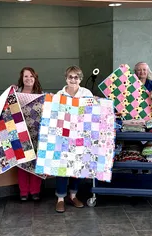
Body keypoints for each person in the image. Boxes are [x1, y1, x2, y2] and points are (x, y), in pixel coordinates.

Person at [55, 65, 93, 213]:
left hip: (80, 135)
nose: (73, 79)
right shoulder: (59, 95)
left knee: (76, 167)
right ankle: (60, 198)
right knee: (62, 168)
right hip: (63, 135)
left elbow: (91, 113)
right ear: (66, 78)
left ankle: (73, 195)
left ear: (80, 79)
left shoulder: (86, 93)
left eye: (76, 77)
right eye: (70, 77)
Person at [15, 67, 44, 201]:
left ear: (35, 78)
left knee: (37, 162)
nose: (28, 78)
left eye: (31, 76)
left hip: (38, 133)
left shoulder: (41, 95)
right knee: (22, 162)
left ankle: (35, 191)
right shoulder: (15, 95)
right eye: (26, 76)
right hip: (21, 133)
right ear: (22, 78)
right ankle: (24, 192)